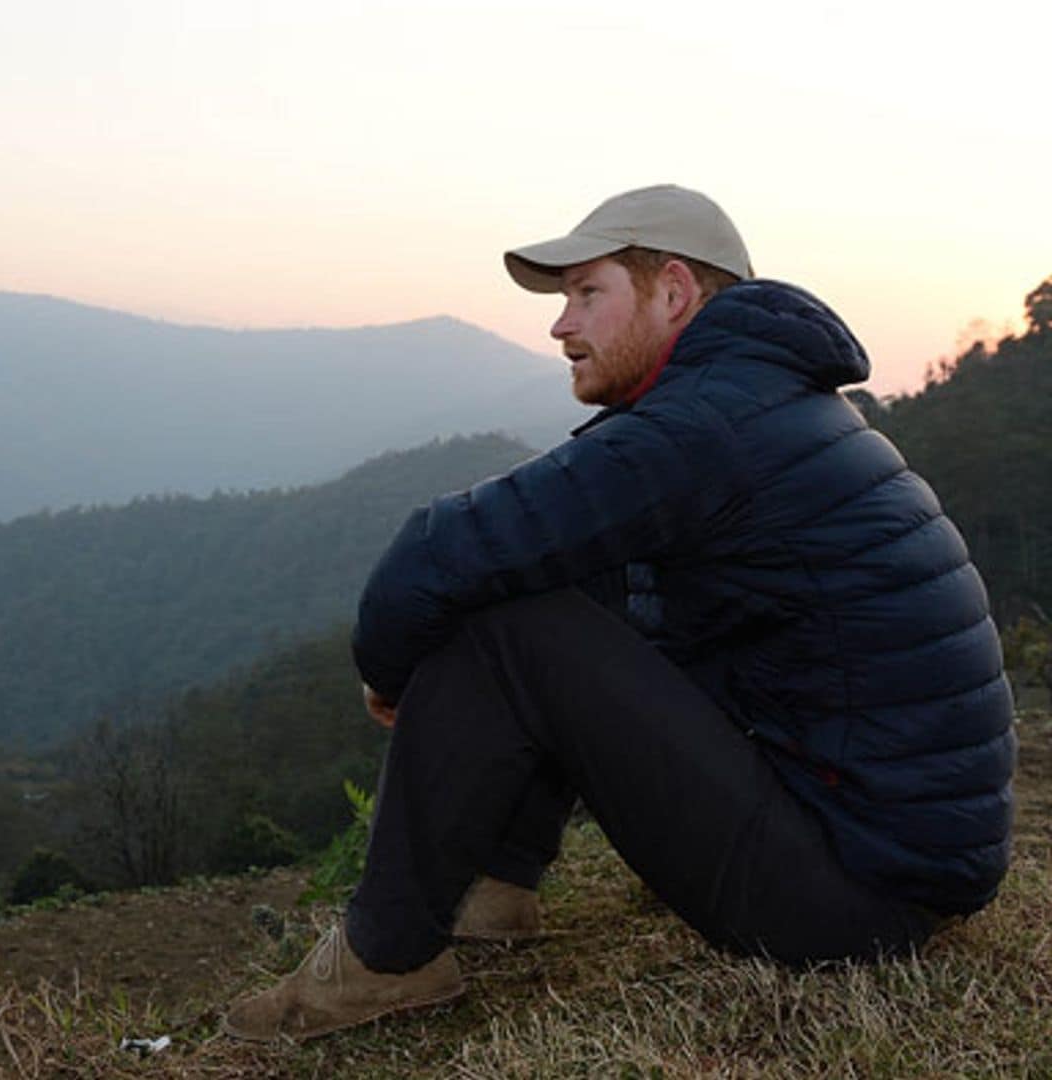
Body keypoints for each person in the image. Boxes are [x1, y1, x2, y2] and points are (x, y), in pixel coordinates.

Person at [222, 184, 1016, 1042]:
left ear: (674, 292)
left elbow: (434, 549)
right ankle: (493, 887)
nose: (562, 325)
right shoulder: (763, 407)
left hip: (852, 899)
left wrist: (386, 673)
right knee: (551, 589)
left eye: (587, 293)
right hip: (888, 866)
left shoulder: (703, 429)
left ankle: (384, 958)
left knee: (508, 620)